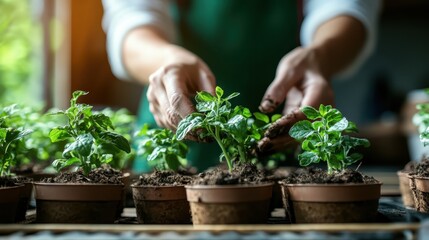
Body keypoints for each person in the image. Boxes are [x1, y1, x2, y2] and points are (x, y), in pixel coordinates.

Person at [102, 0, 381, 172]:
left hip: (288, 123)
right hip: (174, 117)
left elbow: (345, 7)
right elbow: (130, 18)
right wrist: (166, 59)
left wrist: (320, 56)